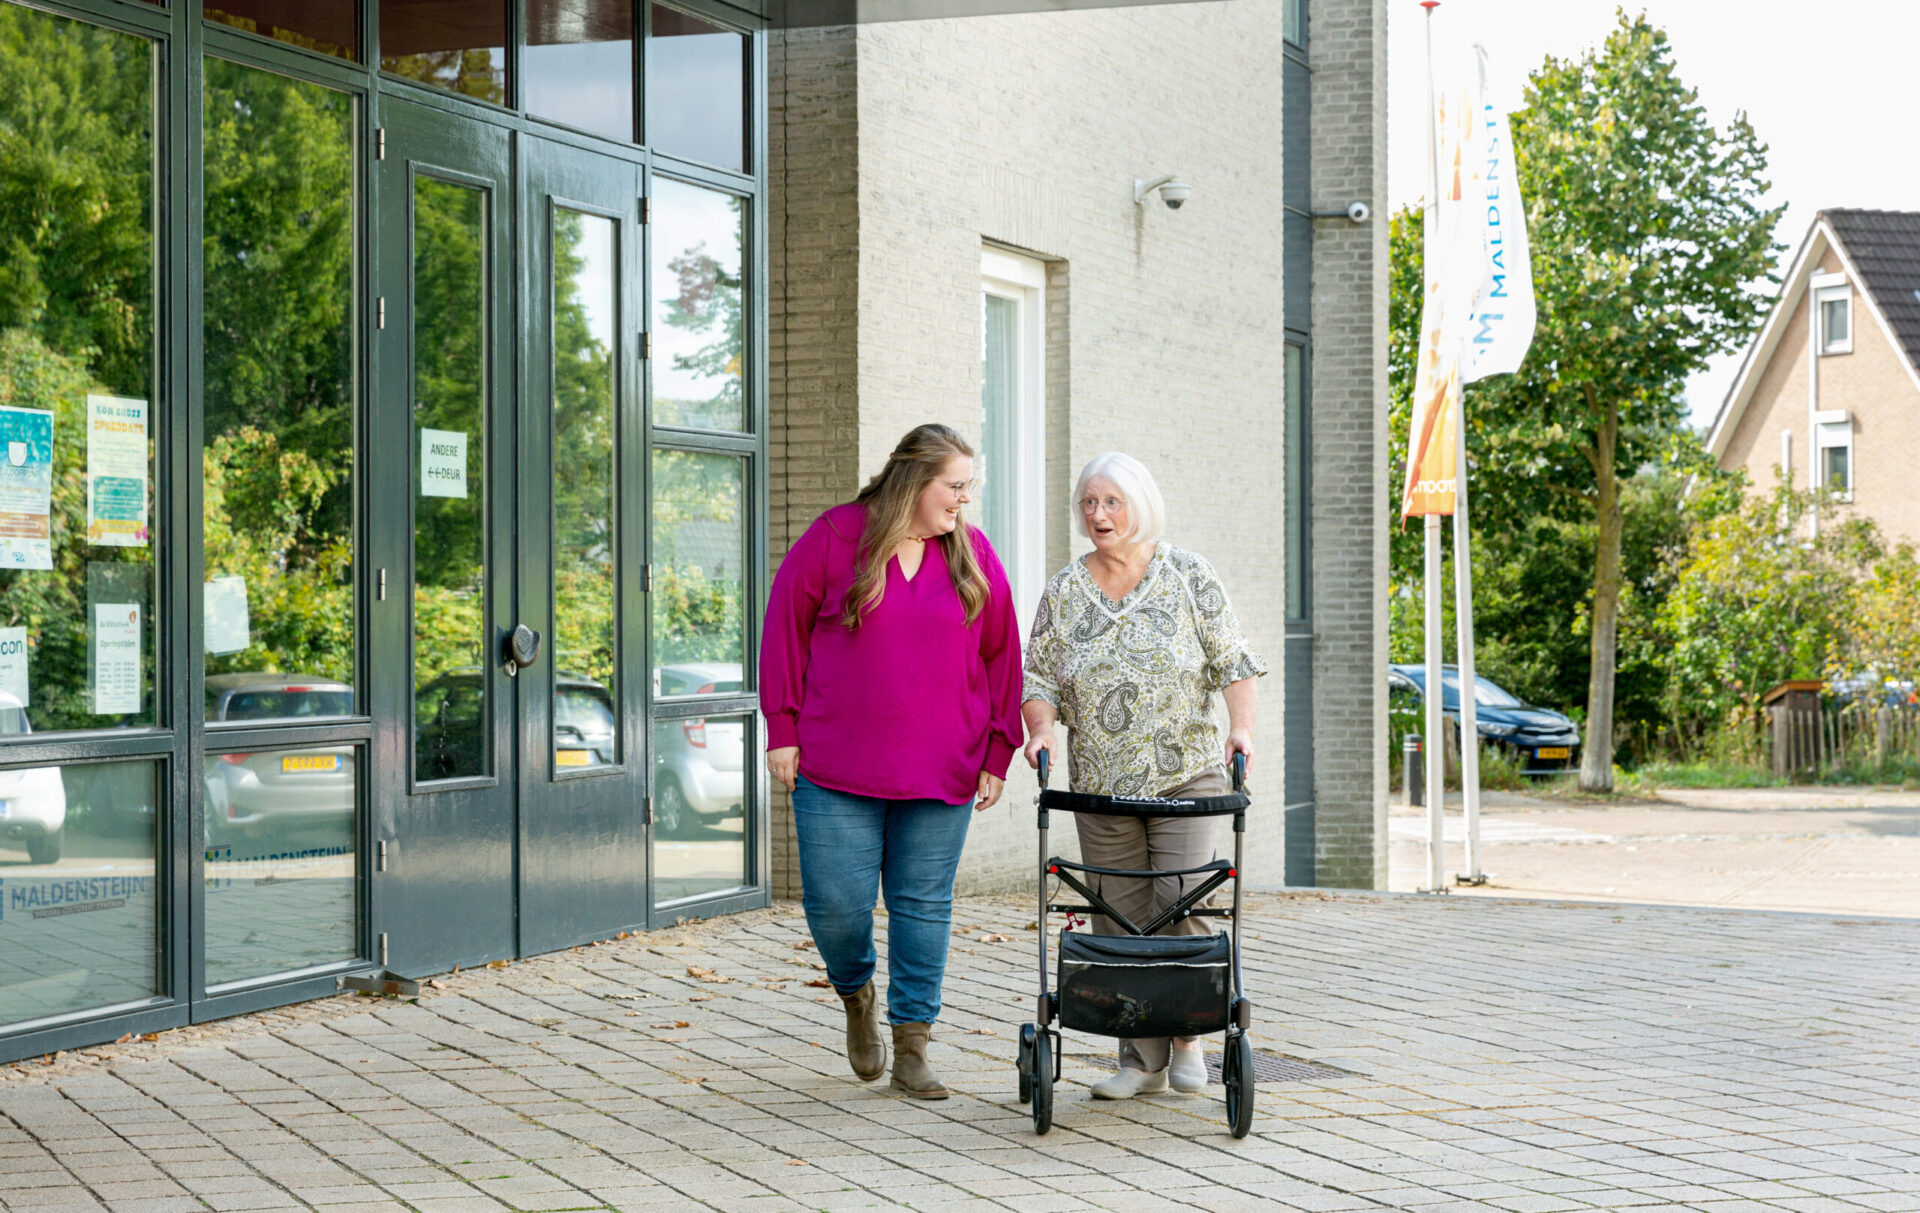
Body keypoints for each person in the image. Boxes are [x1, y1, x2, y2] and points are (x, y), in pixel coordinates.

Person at [760, 423, 1023, 1099]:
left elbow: (1002, 655)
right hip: (836, 764)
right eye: (955, 486)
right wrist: (781, 728)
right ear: (915, 480)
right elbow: (784, 628)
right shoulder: (835, 537)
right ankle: (856, 992)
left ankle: (912, 1044)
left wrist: (999, 747)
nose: (963, 500)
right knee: (837, 906)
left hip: (943, 766)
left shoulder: (972, 554)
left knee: (922, 905)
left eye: (969, 487)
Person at [1021, 452, 1265, 1100]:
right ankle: (1140, 1056)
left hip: (1187, 775)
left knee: (1178, 902)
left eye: (1111, 501)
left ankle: (1187, 1038)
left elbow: (1232, 659)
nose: (1098, 515)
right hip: (1100, 782)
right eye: (1089, 503)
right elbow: (1039, 675)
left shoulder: (1189, 574)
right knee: (1118, 917)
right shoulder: (1066, 588)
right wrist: (1040, 727)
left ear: (1139, 503)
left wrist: (1241, 727)